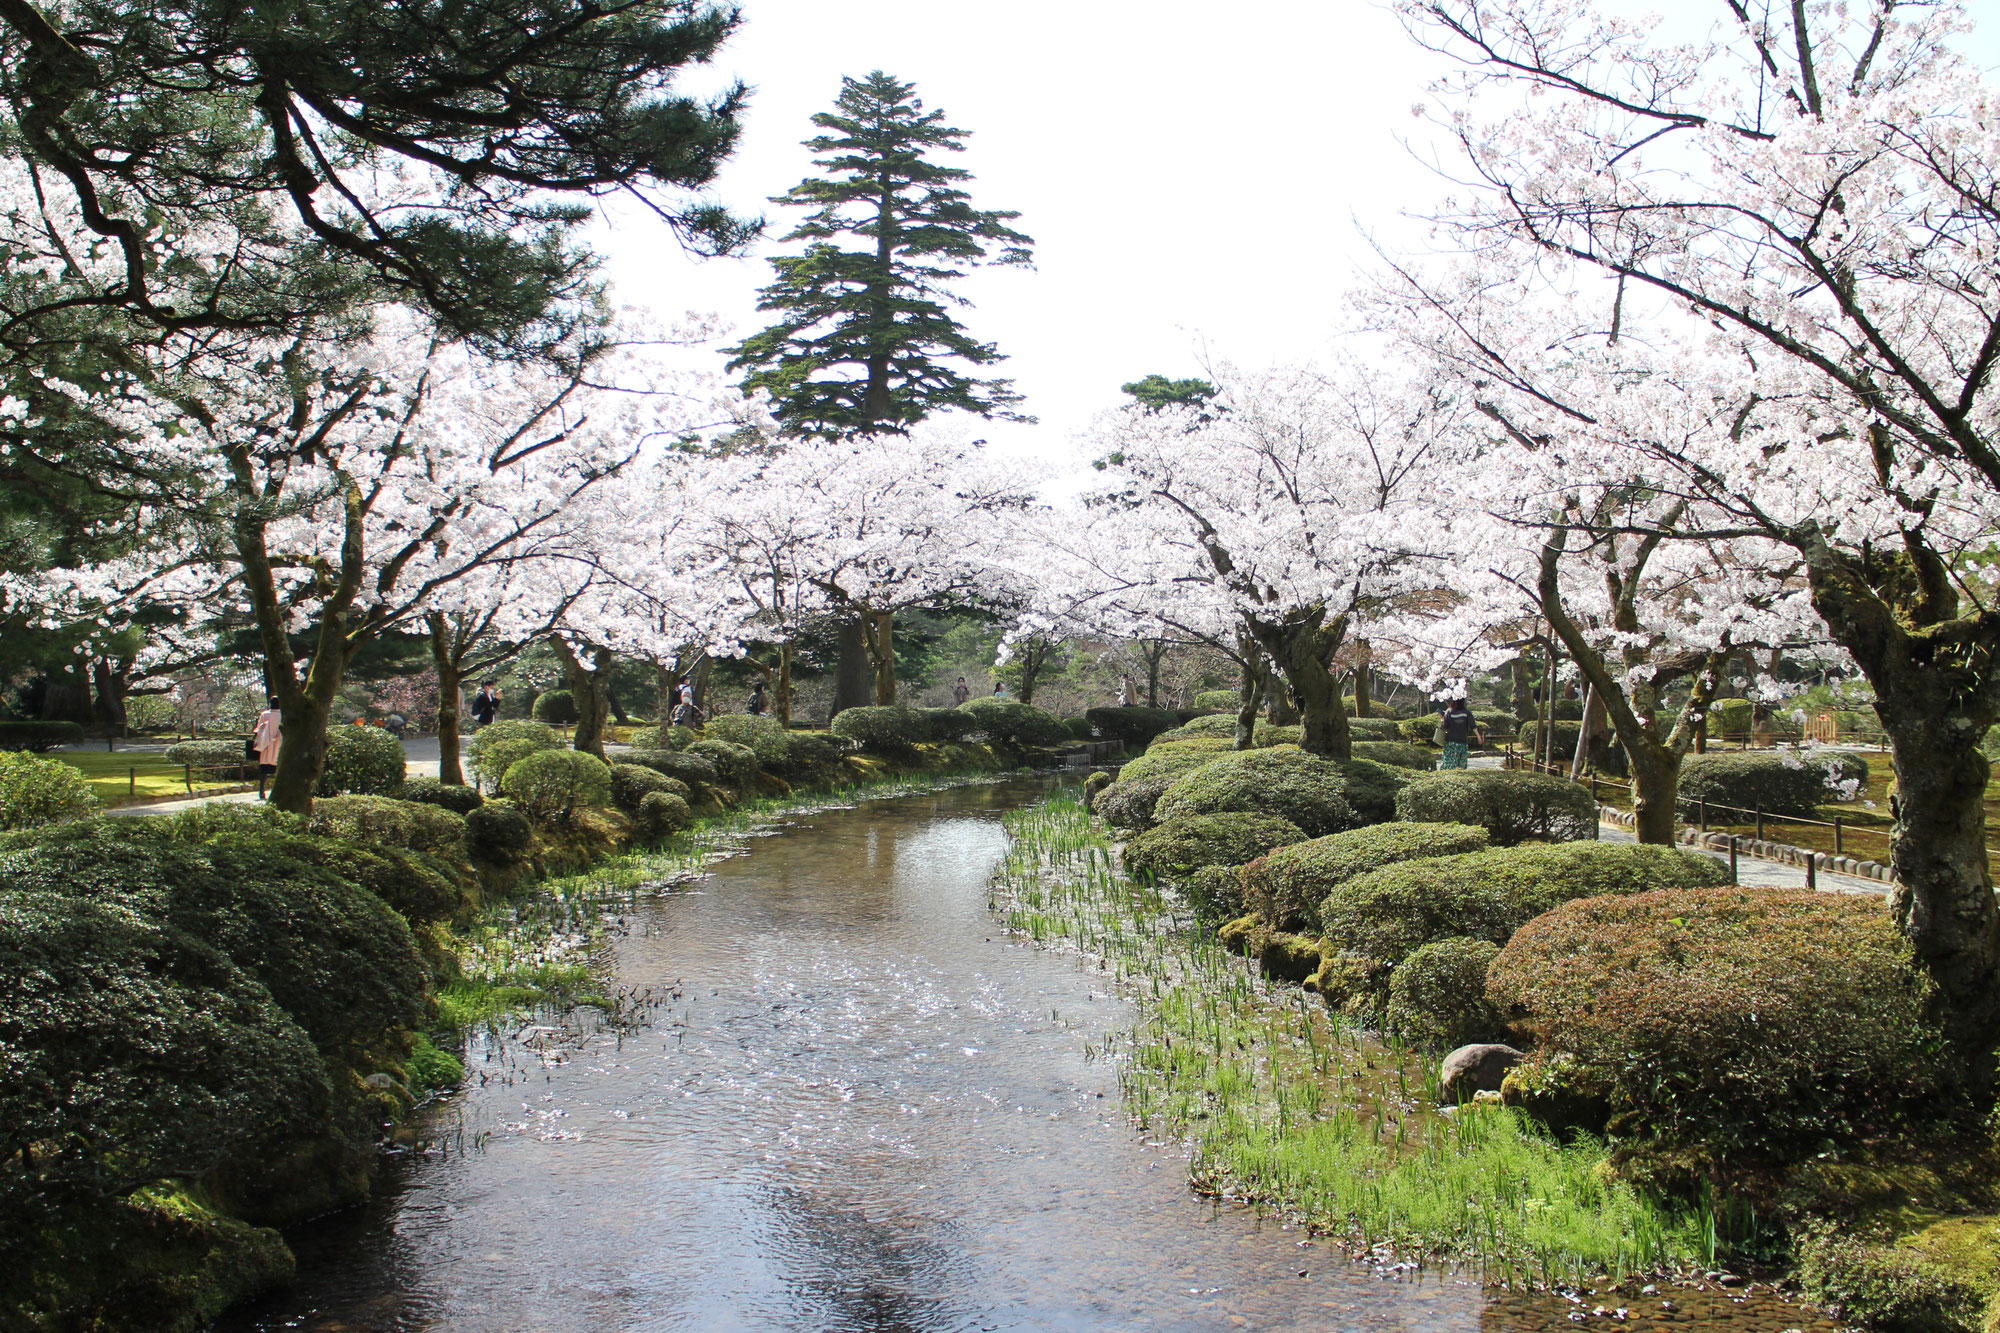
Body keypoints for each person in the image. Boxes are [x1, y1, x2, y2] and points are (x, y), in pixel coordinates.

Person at [1437, 697, 1484, 770]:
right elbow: (1473, 725)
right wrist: (1478, 737)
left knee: (1448, 764)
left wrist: (1442, 719)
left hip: (1450, 742)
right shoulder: (1466, 712)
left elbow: (1444, 726)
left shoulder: (1449, 711)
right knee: (1461, 765)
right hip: (1463, 742)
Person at [251, 696, 282, 798]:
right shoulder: (283, 715)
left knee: (263, 768)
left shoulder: (265, 715)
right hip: (279, 743)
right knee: (279, 766)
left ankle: (261, 790)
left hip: (266, 744)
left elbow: (259, 729)